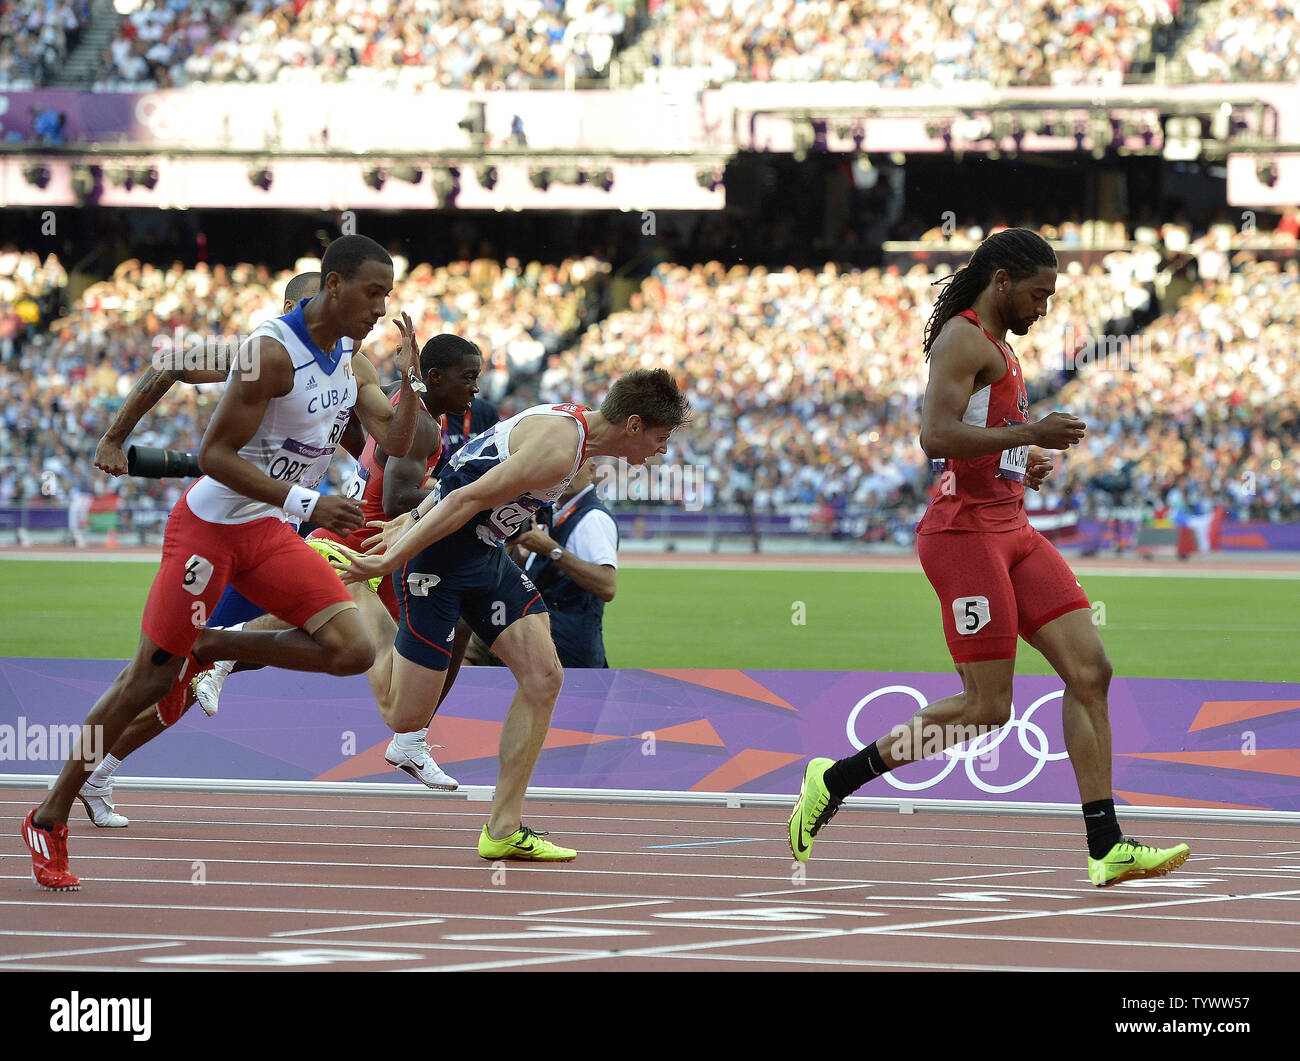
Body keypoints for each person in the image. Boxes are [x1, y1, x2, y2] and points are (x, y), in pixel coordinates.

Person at [787, 228, 1190, 888]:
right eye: (1039, 294)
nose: (1045, 308)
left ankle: (1106, 843)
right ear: (1002, 281)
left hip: (1012, 525)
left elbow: (976, 435)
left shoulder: (1000, 347)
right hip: (963, 536)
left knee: (1091, 670)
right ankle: (834, 778)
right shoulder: (963, 338)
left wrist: (1017, 460)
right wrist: (1029, 431)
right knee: (987, 708)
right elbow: (934, 436)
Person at [23, 234, 423, 890]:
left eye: (387, 294)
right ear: (332, 287)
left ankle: (206, 645)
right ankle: (51, 812)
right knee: (145, 684)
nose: (383, 307)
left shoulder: (350, 359)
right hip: (210, 528)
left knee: (353, 649)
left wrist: (410, 377)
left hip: (267, 534)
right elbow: (211, 451)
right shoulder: (265, 353)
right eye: (374, 292)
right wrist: (114, 435)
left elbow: (398, 441)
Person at [334, 369, 689, 862]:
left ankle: (502, 827)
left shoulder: (573, 430)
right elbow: (466, 497)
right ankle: (352, 592)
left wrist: (410, 518)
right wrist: (391, 558)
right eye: (660, 437)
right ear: (633, 425)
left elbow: (467, 469)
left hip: (483, 556)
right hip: (439, 558)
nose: (662, 451)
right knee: (403, 716)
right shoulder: (560, 447)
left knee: (544, 677)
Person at [513, 458, 618, 668]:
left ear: (591, 471)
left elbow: (607, 586)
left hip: (570, 647)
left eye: (575, 466)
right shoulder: (553, 512)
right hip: (548, 641)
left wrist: (551, 550)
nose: (567, 473)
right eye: (562, 465)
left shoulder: (594, 518)